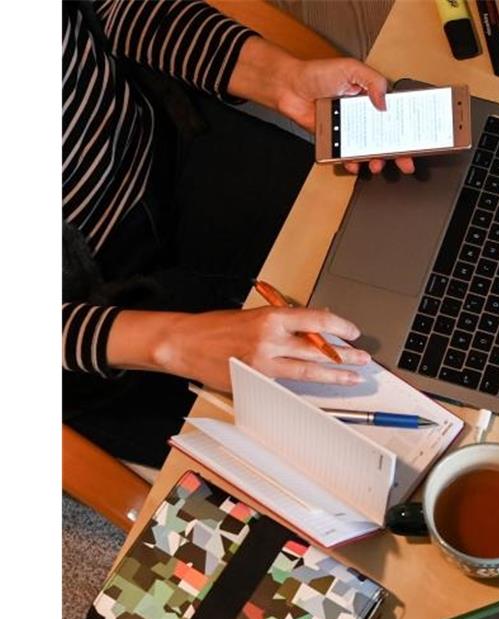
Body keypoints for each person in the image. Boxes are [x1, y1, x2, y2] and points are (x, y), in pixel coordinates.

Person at [62, 0, 411, 466]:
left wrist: (279, 77)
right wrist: (172, 344)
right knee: (331, 463)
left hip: (166, 150)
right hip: (88, 330)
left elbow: (110, 7)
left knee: (409, 271)